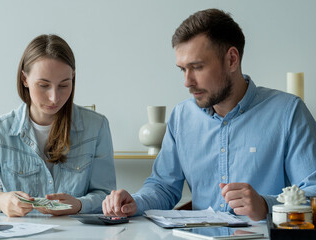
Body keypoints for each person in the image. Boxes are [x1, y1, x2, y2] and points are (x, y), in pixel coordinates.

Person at [102, 8, 316, 221]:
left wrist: (266, 206)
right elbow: (164, 187)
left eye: (197, 67)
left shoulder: (289, 112)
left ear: (232, 59)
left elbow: (313, 192)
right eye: (182, 69)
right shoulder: (182, 116)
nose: (187, 81)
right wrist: (135, 202)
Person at [0, 34, 116, 217]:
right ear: (25, 79)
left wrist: (79, 205)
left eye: (64, 85)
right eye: (43, 85)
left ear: (73, 77)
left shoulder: (96, 127)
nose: (54, 98)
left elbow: (106, 195)